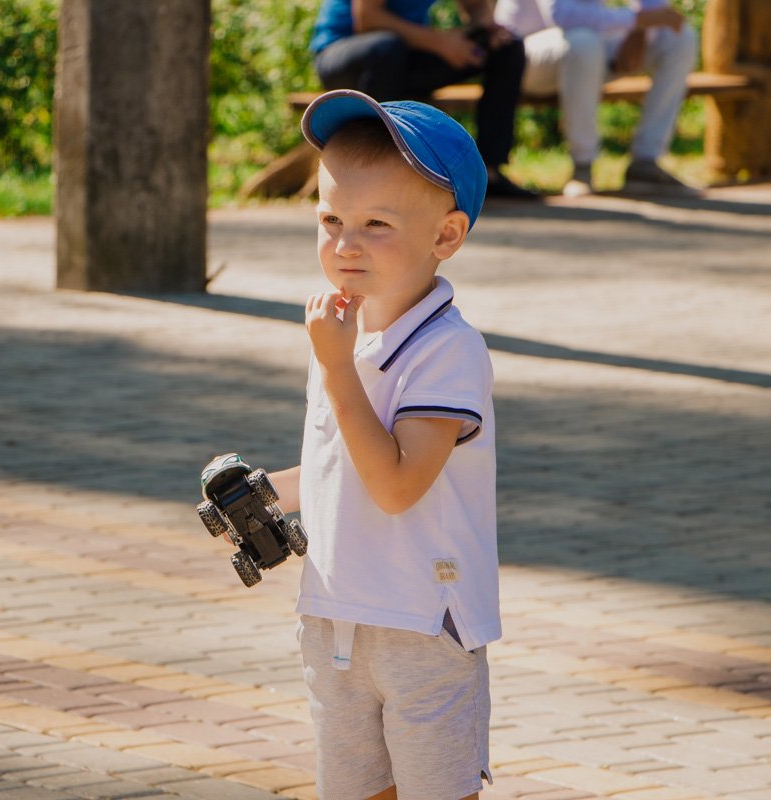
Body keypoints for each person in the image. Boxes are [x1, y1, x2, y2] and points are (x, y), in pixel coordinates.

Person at [266, 89, 500, 800]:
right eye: (331, 219)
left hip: (421, 620)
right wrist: (267, 493)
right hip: (335, 612)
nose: (345, 244)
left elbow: (397, 484)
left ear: (446, 236)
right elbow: (345, 461)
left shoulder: (447, 350)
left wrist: (337, 367)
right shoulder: (346, 330)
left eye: (376, 224)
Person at [310, 0, 538, 199]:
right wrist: (441, 42)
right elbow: (368, 19)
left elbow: (476, 6)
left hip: (404, 56)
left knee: (507, 47)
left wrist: (485, 28)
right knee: (387, 47)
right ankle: (378, 170)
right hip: (343, 55)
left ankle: (489, 172)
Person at [496, 0, 700, 196]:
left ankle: (646, 163)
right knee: (583, 41)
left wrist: (640, 31)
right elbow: (562, 15)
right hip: (520, 55)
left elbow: (655, 10)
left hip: (587, 45)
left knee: (679, 38)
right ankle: (582, 166)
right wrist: (637, 20)